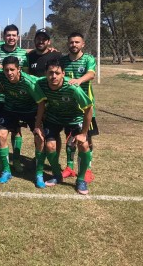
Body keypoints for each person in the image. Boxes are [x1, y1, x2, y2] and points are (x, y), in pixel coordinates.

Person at [34, 59, 93, 195]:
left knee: (84, 145)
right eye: (50, 73)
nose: (53, 76)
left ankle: (81, 179)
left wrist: (83, 133)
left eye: (57, 73)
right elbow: (41, 104)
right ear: (45, 73)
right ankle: (57, 174)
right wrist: (38, 126)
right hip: (54, 118)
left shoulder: (72, 87)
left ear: (63, 74)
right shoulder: (41, 83)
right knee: (49, 146)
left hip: (74, 119)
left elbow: (88, 108)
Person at [0, 56, 45, 185]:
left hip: (30, 110)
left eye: (12, 70)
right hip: (11, 109)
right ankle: (6, 171)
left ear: (19, 69)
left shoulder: (29, 82)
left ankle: (39, 174)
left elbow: (41, 103)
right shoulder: (1, 76)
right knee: (0, 135)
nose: (9, 73)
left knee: (39, 137)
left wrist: (38, 125)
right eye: (6, 70)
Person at [0, 24, 29, 173]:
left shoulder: (23, 54)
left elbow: (27, 75)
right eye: (8, 35)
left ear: (18, 37)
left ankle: (15, 159)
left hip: (16, 99)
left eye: (14, 35)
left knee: (16, 130)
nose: (11, 37)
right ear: (3, 37)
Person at [59, 32, 98, 183]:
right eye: (71, 42)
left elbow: (91, 74)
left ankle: (87, 169)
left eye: (77, 42)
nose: (73, 45)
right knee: (69, 137)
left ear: (83, 44)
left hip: (85, 106)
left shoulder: (88, 58)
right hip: (68, 106)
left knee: (86, 139)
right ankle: (69, 167)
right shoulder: (63, 60)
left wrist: (79, 80)